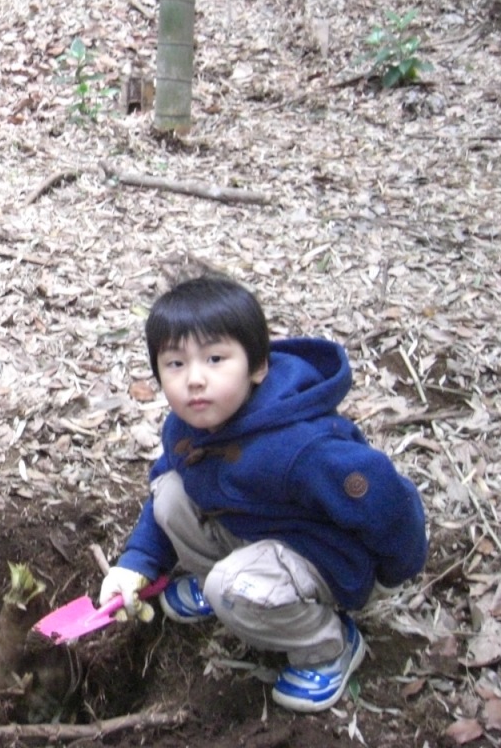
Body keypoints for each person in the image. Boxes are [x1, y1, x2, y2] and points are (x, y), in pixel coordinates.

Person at [98, 274, 427, 712]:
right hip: (254, 536)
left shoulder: (300, 445)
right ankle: (220, 584)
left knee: (231, 586)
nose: (194, 380)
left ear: (257, 366)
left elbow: (384, 498)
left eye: (215, 359)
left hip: (322, 558)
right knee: (171, 491)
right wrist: (136, 562)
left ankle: (328, 646)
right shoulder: (187, 426)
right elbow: (168, 482)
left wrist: (390, 575)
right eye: (175, 363)